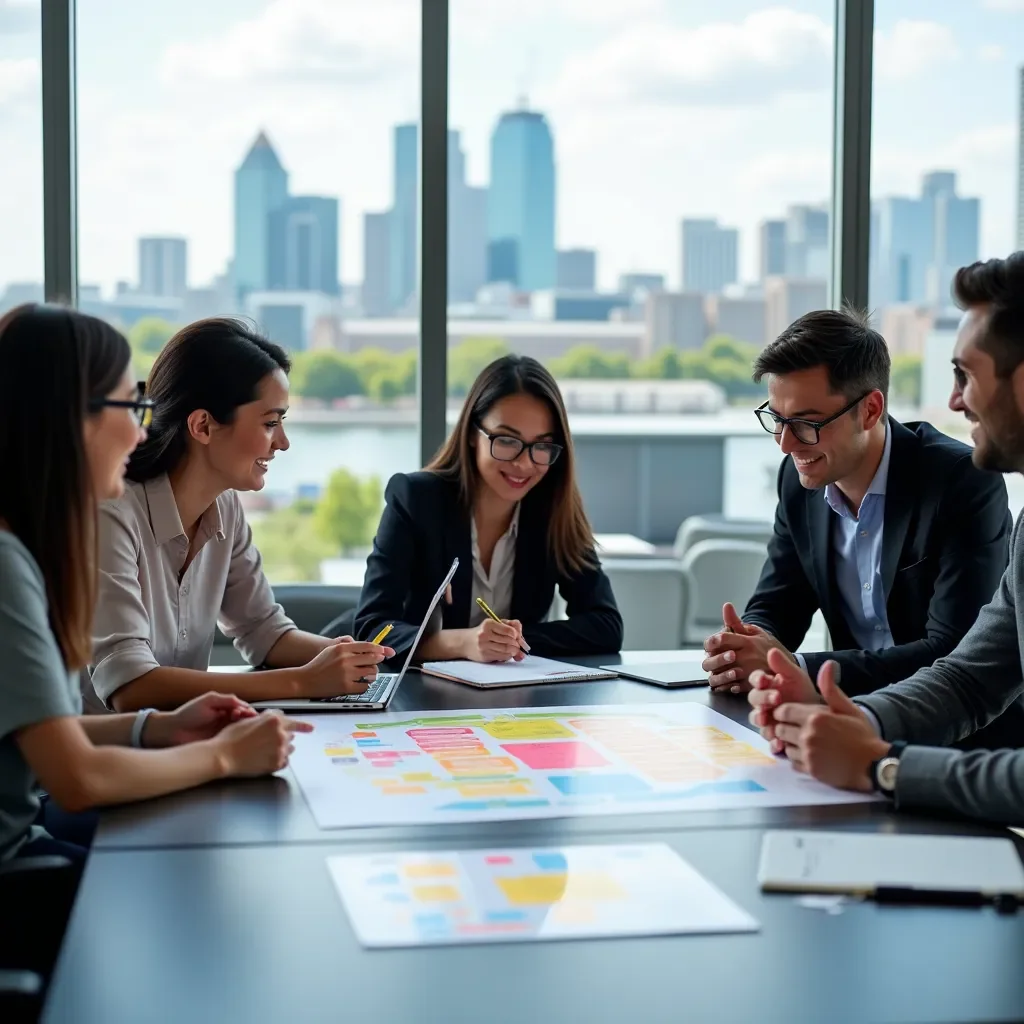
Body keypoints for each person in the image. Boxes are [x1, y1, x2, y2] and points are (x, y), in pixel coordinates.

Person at [0, 304, 313, 869]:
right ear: (69, 419)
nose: (142, 427)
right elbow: (76, 778)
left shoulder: (20, 550)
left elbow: (53, 736)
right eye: (131, 404)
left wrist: (163, 727)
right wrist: (221, 757)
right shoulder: (9, 566)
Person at [748, 252, 1024, 823]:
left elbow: (950, 654)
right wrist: (856, 724)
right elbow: (971, 678)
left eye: (964, 375)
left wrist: (881, 764)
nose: (954, 401)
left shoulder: (960, 482)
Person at [702, 309, 1010, 717]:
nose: (786, 445)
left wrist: (796, 668)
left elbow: (953, 652)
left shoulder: (962, 482)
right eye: (777, 419)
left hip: (958, 731)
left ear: (869, 409)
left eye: (806, 423)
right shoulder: (798, 481)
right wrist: (745, 645)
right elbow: (779, 604)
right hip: (844, 715)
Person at [90, 318, 393, 712]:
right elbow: (129, 686)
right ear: (203, 425)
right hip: (104, 759)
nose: (282, 443)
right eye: (270, 423)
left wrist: (342, 659)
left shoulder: (226, 506)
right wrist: (303, 680)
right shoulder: (111, 515)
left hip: (186, 745)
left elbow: (262, 631)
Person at [355, 354, 622, 662]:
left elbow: (606, 625)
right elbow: (372, 629)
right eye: (507, 440)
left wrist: (509, 641)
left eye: (542, 445)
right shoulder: (416, 499)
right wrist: (462, 643)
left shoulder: (552, 509)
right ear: (472, 433)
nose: (524, 463)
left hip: (510, 701)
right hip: (418, 696)